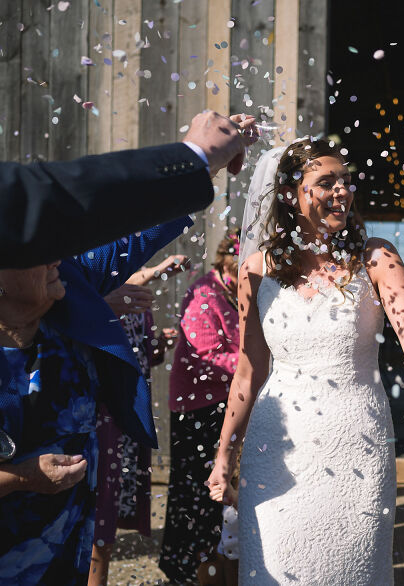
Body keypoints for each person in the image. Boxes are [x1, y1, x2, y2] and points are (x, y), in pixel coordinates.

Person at [205, 138, 404, 585]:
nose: (341, 192)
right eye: (325, 182)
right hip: (277, 451)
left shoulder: (376, 258)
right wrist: (223, 453)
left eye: (346, 181)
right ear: (291, 194)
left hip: (357, 447)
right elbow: (249, 370)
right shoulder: (254, 269)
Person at [0, 217, 191, 583]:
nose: (56, 257)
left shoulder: (69, 289)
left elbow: (139, 234)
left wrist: (203, 165)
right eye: (36, 252)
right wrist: (22, 478)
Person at [1, 111, 256, 269]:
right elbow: (36, 202)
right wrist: (193, 156)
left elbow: (125, 250)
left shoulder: (68, 281)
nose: (53, 261)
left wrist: (204, 168)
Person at [89, 254, 186, 586]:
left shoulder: (132, 295)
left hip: (126, 419)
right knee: (97, 521)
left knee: (109, 517)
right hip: (99, 419)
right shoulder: (95, 291)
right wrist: (156, 273)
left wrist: (159, 344)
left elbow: (136, 352)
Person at [159, 233, 241, 583]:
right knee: (199, 498)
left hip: (228, 403)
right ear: (224, 264)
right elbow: (205, 359)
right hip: (198, 410)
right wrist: (261, 363)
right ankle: (189, 571)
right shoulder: (203, 294)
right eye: (240, 276)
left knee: (227, 502)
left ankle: (222, 568)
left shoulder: (234, 291)